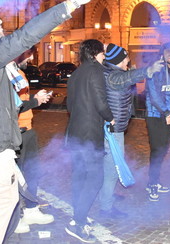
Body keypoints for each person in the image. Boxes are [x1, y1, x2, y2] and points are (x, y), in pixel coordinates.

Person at [0, 0, 105, 244]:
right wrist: (77, 0)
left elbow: (0, 104)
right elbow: (25, 35)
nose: (0, 20)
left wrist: (32, 102)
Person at [98, 43, 163, 219]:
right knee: (112, 169)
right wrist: (147, 71)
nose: (128, 59)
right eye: (125, 57)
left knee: (108, 167)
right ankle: (105, 207)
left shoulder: (110, 72)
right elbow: (123, 80)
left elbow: (126, 80)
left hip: (112, 128)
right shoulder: (113, 76)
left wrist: (130, 73)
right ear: (118, 60)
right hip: (112, 130)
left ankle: (106, 195)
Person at [64, 39, 115, 243]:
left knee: (79, 178)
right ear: (95, 53)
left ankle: (80, 217)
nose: (105, 56)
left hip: (75, 133)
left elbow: (69, 105)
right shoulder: (95, 70)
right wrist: (110, 117)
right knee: (95, 178)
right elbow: (100, 100)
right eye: (103, 52)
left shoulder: (76, 73)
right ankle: (76, 222)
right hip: (89, 134)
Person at [5, 46, 54, 234]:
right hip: (15, 131)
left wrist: (36, 99)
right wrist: (35, 101)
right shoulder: (7, 73)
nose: (31, 58)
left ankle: (31, 210)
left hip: (27, 129)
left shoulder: (16, 72)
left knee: (32, 172)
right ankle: (13, 218)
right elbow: (11, 106)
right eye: (28, 54)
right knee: (14, 177)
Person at [144, 42, 170, 202]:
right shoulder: (156, 69)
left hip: (166, 115)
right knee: (157, 151)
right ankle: (152, 184)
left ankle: (155, 181)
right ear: (162, 54)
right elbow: (154, 96)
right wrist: (167, 112)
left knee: (162, 150)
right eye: (168, 52)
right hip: (156, 115)